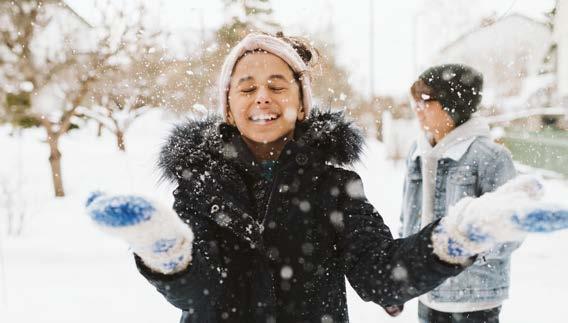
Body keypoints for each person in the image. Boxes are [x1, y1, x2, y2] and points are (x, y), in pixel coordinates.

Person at [85, 34, 567, 323]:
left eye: (277, 85)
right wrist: (166, 252)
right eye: (246, 88)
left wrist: (458, 237)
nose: (262, 98)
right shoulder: (200, 185)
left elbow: (381, 275)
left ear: (301, 100)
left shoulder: (333, 186)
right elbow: (199, 293)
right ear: (228, 105)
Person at [400, 64, 518, 323]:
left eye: (425, 101)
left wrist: (464, 246)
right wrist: (401, 273)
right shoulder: (417, 151)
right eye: (415, 101)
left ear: (452, 104)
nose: (417, 110)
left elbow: (511, 231)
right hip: (426, 292)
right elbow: (406, 221)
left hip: (473, 298)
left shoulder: (490, 157)